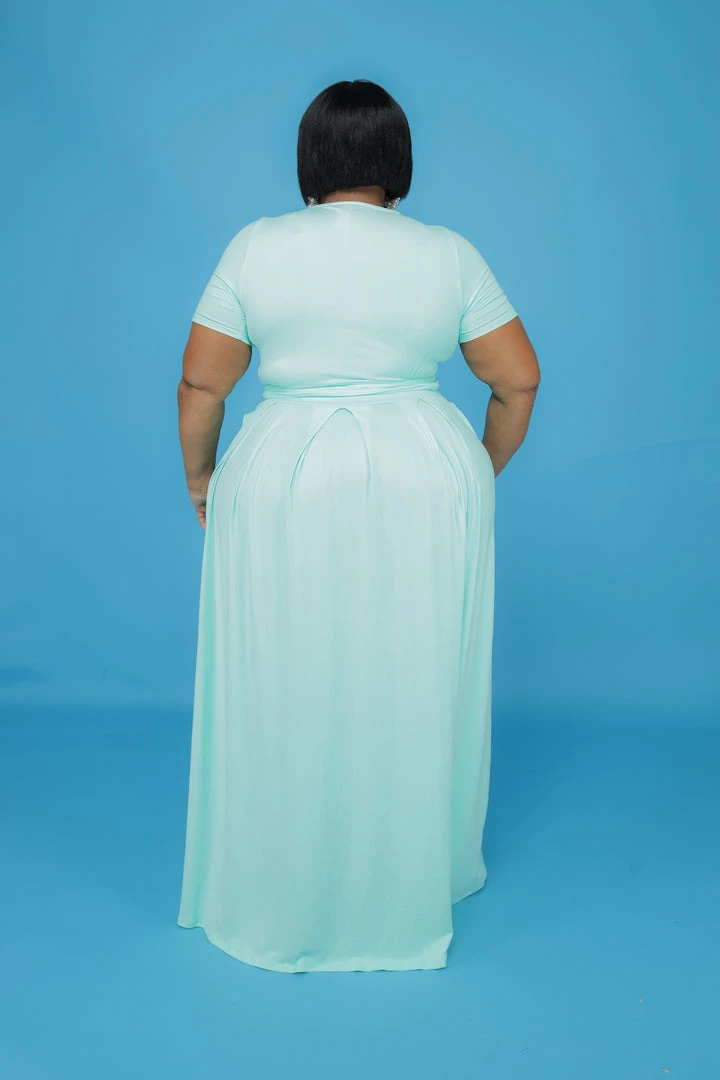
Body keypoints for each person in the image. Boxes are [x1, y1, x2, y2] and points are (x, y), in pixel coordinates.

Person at [175, 79, 540, 973]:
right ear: (397, 161)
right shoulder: (448, 253)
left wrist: (201, 477)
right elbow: (518, 378)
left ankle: (283, 868)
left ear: (310, 158)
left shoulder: (256, 246)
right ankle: (417, 867)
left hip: (282, 470)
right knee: (414, 662)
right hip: (424, 464)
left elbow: (203, 383)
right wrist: (474, 469)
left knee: (283, 666)